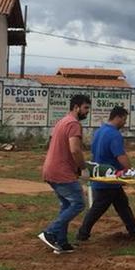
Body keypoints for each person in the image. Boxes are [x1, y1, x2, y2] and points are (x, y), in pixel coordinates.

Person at [76, 106, 135, 242]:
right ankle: (82, 234)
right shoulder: (114, 134)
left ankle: (134, 230)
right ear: (117, 117)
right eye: (124, 119)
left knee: (122, 204)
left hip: (101, 175)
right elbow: (120, 156)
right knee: (98, 208)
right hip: (109, 178)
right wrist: (131, 171)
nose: (125, 123)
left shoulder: (100, 131)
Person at [39, 94, 90, 254]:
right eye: (85, 108)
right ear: (76, 107)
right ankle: (50, 233)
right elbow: (75, 149)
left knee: (67, 204)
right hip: (61, 171)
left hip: (51, 169)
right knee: (78, 203)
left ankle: (61, 242)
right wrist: (83, 168)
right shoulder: (73, 124)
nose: (87, 112)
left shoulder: (62, 121)